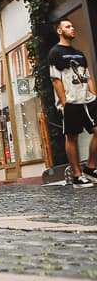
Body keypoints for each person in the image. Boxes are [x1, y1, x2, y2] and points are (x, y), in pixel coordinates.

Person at [48, 19, 97, 187]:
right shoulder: (55, 53)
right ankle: (76, 175)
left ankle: (90, 168)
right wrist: (65, 102)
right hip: (71, 101)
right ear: (59, 31)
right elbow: (55, 80)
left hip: (87, 99)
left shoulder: (79, 54)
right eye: (67, 26)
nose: (72, 28)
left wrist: (94, 95)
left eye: (72, 26)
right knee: (72, 137)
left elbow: (88, 77)